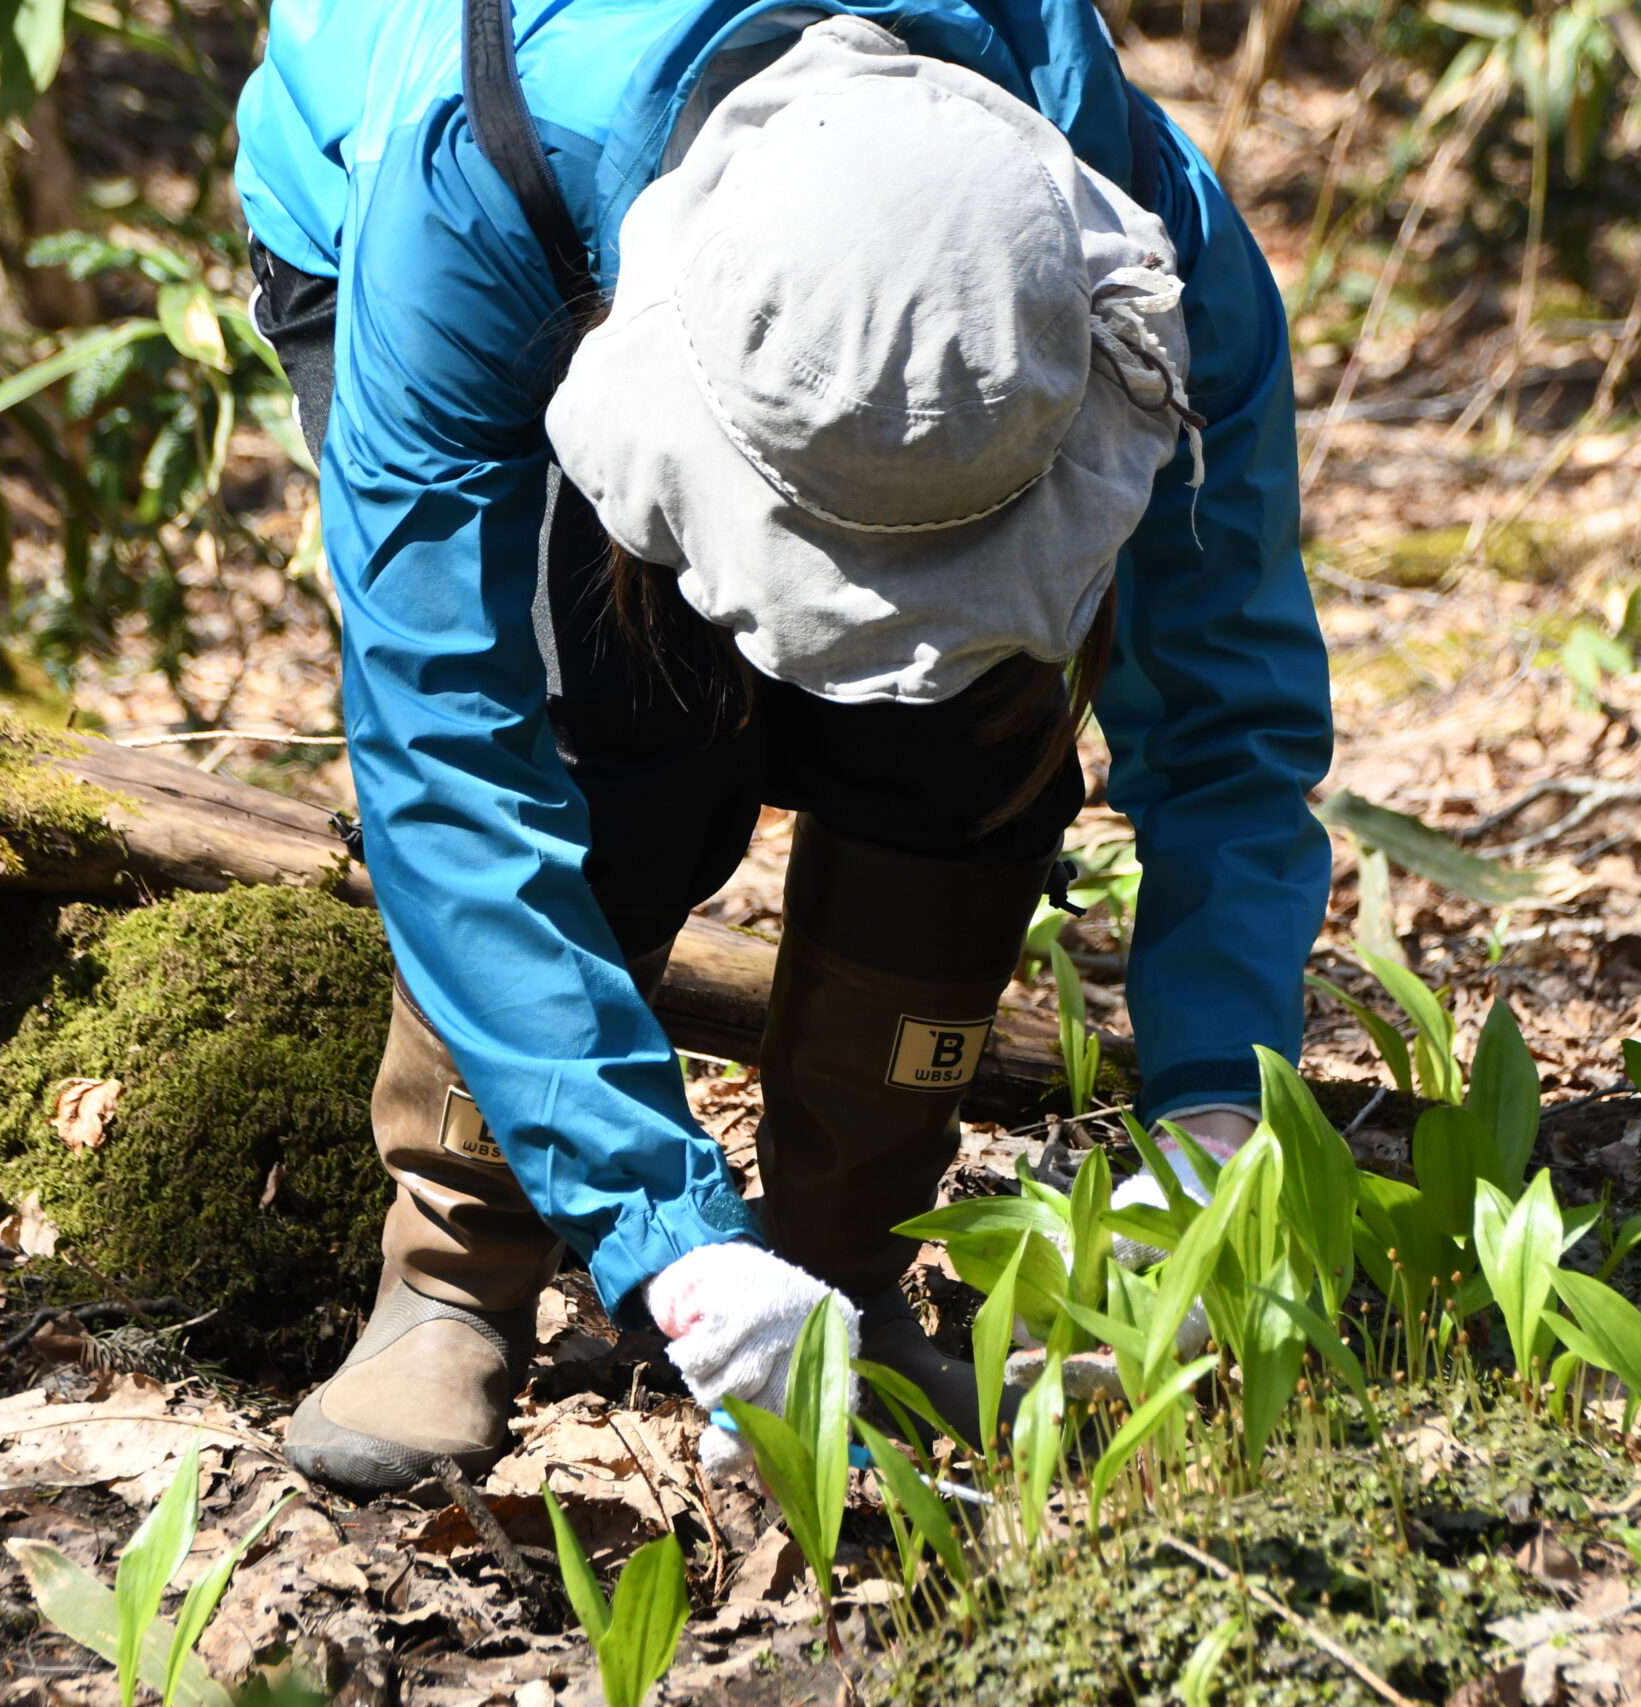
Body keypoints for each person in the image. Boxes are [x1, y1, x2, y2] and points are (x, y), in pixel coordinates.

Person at [233, 0, 1331, 1495]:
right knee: (609, 724)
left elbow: (1228, 711)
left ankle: (848, 1270)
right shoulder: (466, 195)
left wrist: (1215, 1097)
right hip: (437, 194)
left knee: (974, 740)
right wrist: (672, 1243)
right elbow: (450, 755)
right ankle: (453, 1266)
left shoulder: (1148, 245)